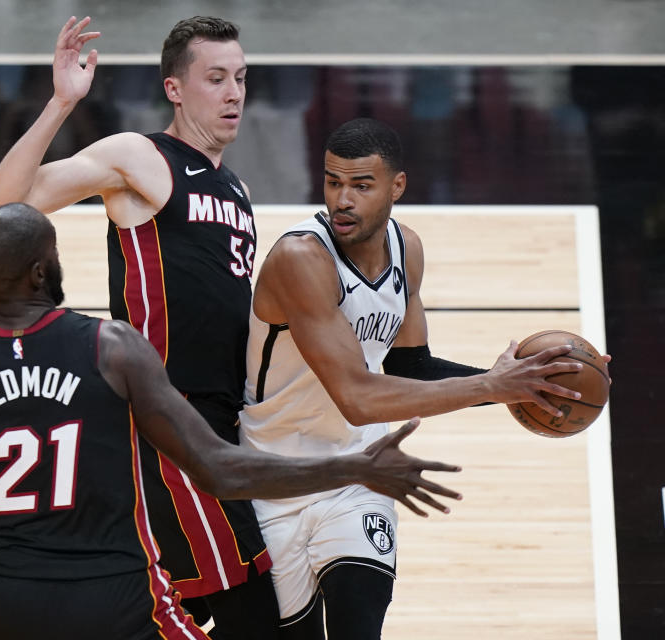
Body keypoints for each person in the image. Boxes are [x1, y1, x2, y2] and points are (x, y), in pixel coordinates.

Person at [0, 204, 464, 640]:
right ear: (44, 270)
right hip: (120, 606)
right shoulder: (111, 348)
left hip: (0, 605)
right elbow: (220, 468)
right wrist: (355, 466)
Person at [0, 15, 275, 638]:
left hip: (221, 425)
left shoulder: (238, 190)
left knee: (172, 614)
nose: (233, 94)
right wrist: (62, 103)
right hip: (169, 424)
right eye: (215, 78)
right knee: (252, 608)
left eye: (241, 79)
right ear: (174, 89)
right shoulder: (141, 156)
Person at [239, 118, 595, 640]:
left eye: (361, 186)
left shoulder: (407, 250)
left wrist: (522, 381)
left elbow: (412, 370)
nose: (343, 199)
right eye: (333, 182)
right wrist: (492, 387)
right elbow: (357, 396)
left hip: (357, 472)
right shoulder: (301, 259)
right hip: (272, 478)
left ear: (396, 186)